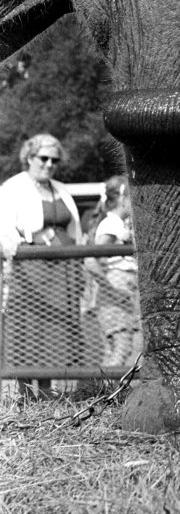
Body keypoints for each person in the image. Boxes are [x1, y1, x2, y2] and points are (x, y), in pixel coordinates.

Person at [0, 133, 83, 399]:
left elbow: (75, 229)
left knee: (54, 334)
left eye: (54, 160)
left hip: (63, 274)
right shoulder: (12, 189)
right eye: (43, 158)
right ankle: (25, 398)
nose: (49, 164)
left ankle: (48, 397)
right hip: (31, 274)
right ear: (29, 157)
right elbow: (4, 231)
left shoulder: (60, 189)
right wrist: (28, 242)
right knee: (28, 331)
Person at [87, 175, 142, 368]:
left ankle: (104, 393)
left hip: (123, 291)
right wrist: (111, 289)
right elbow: (92, 259)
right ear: (122, 198)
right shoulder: (111, 225)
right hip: (116, 290)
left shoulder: (119, 224)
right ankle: (107, 392)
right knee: (122, 348)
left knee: (117, 349)